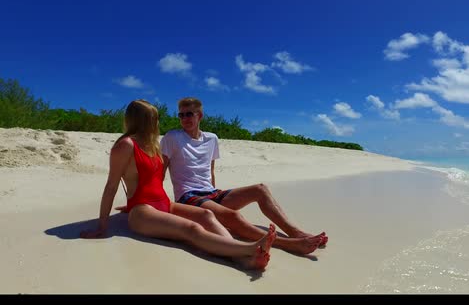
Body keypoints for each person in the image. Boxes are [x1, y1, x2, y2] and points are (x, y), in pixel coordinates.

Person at [80, 99, 276, 271]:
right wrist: (102, 226)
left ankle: (240, 258)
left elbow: (154, 179)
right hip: (142, 210)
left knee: (207, 215)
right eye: (153, 118)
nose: (157, 122)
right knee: (191, 229)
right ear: (140, 120)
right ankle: (248, 249)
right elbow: (111, 186)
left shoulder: (153, 144)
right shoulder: (126, 145)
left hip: (163, 204)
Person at [159, 97, 328, 255]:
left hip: (211, 192)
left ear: (200, 115)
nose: (184, 118)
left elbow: (210, 171)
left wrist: (216, 196)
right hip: (189, 196)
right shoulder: (172, 137)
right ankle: (289, 244)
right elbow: (161, 169)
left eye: (189, 114)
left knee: (260, 189)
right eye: (181, 115)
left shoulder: (211, 139)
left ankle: (295, 232)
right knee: (233, 217)